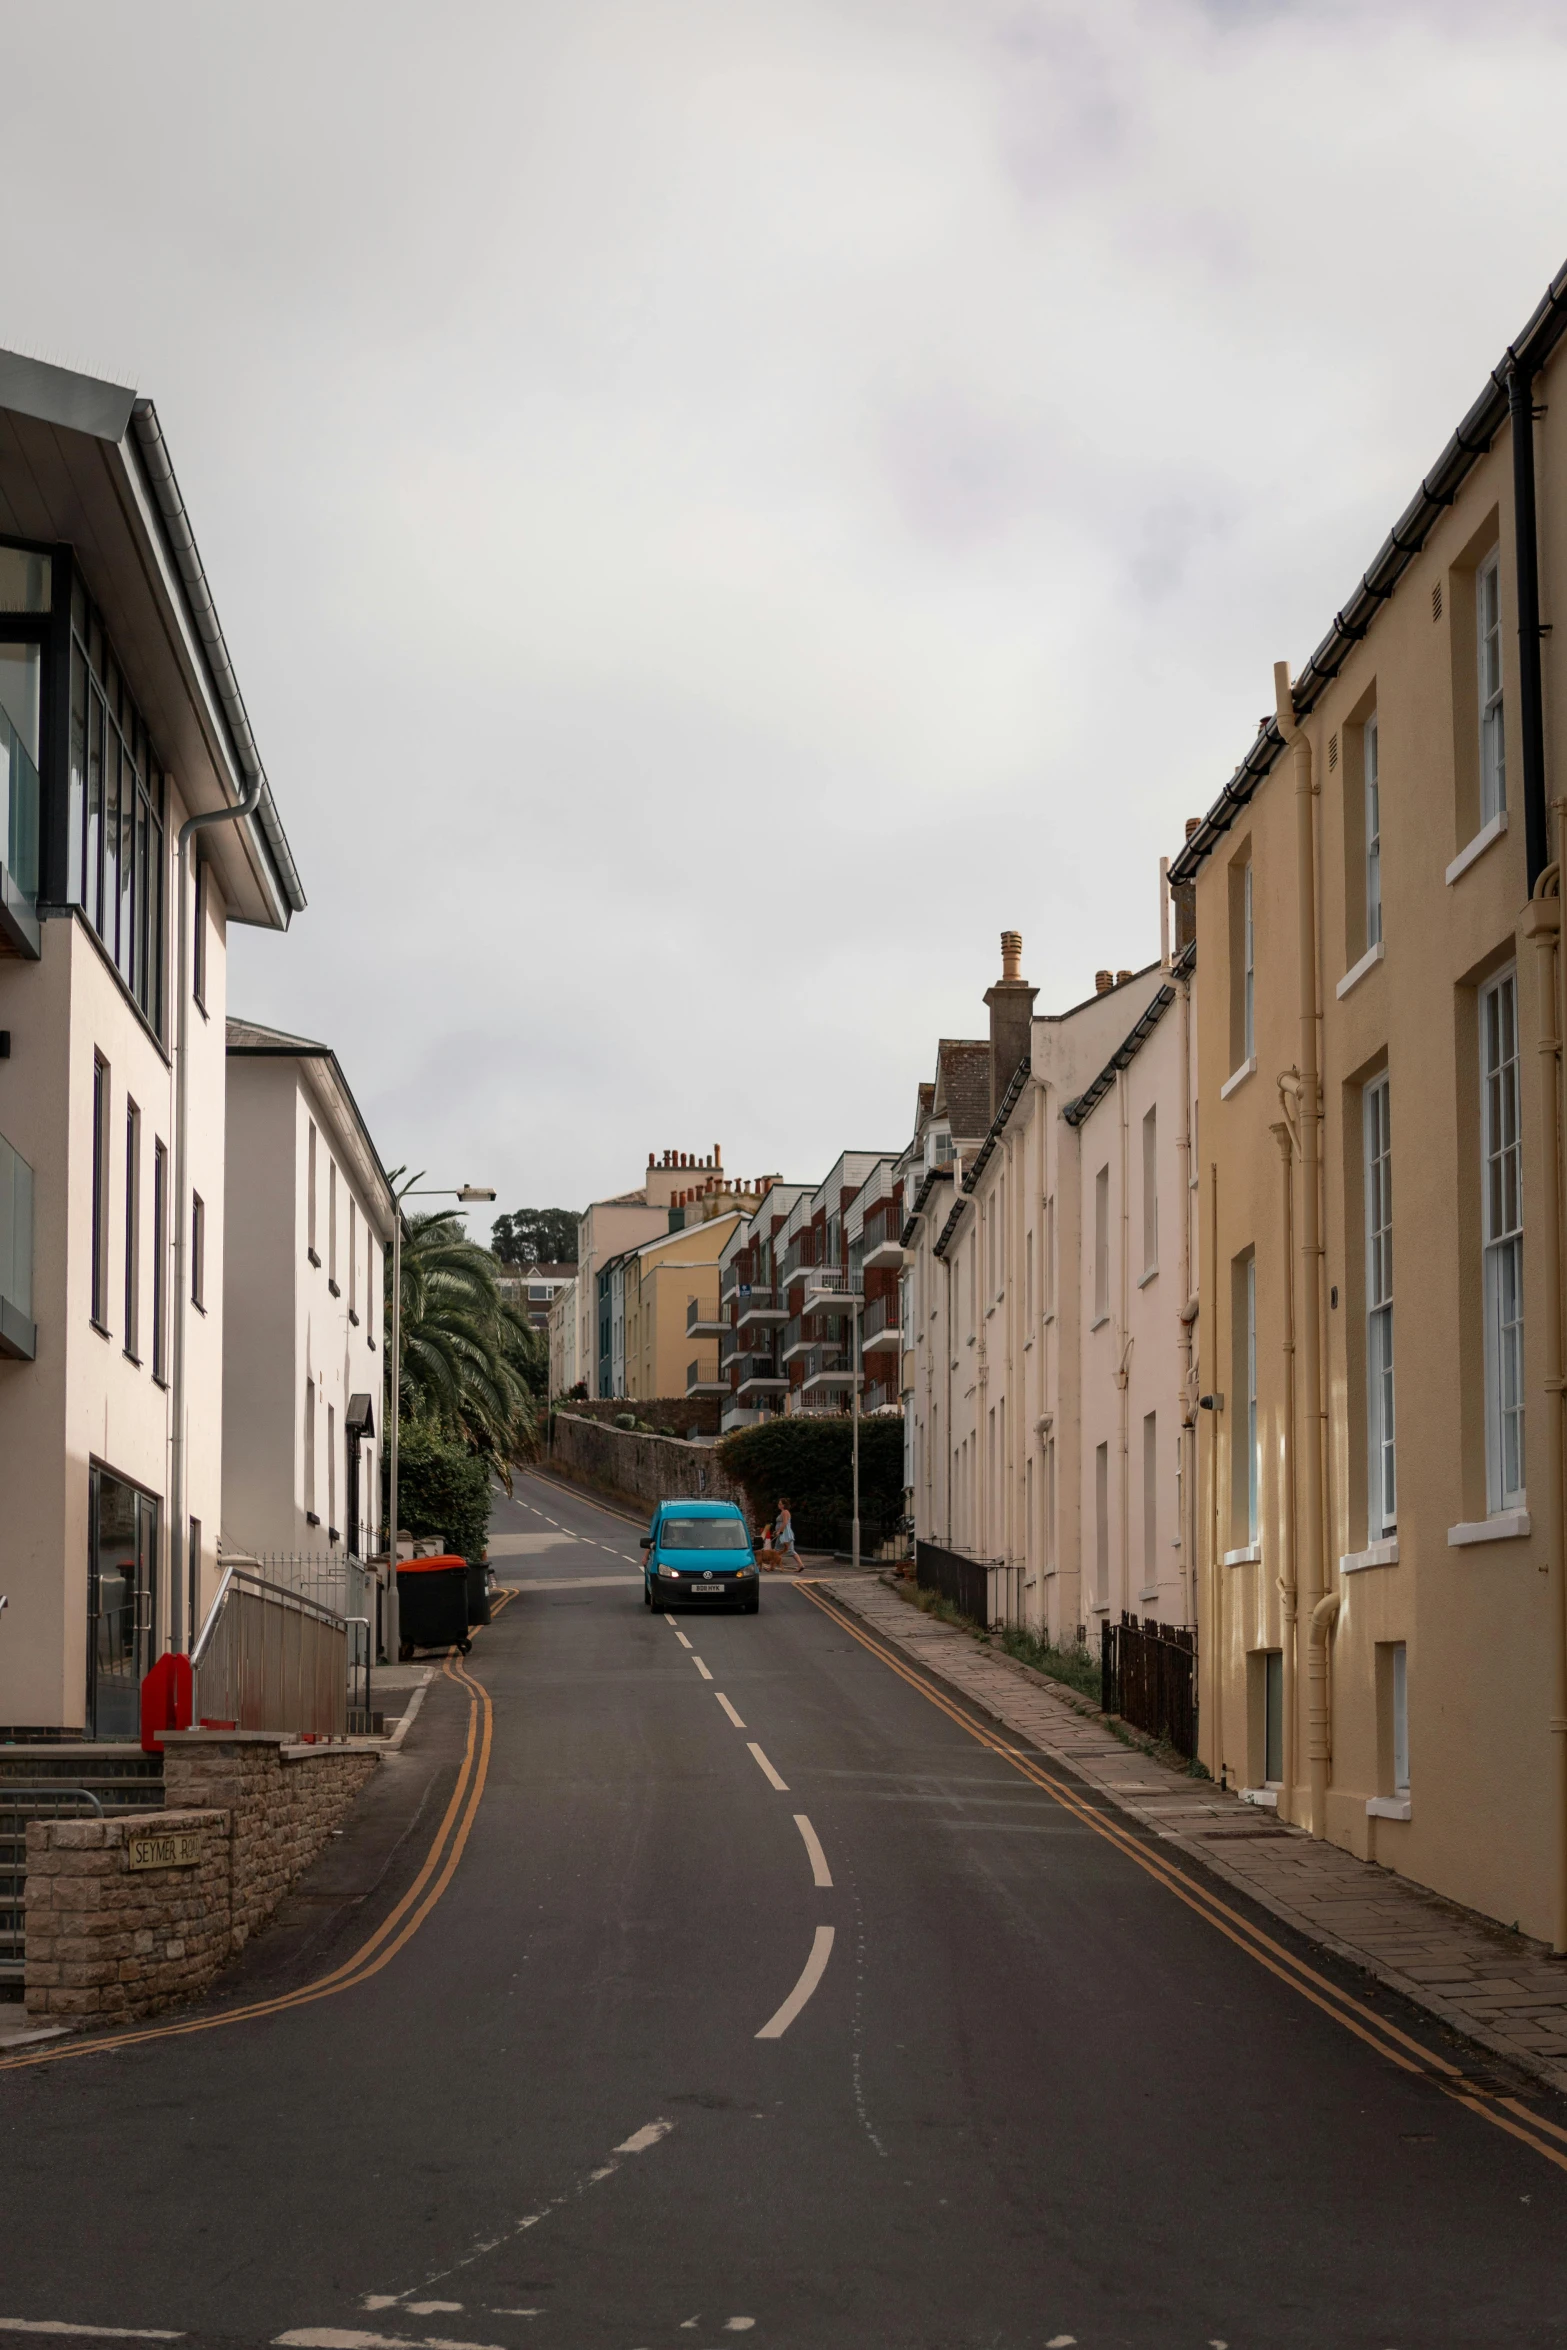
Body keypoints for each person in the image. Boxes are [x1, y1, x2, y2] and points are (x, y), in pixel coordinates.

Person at [774, 1498, 798, 1571]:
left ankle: (773, 1566)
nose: (778, 1505)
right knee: (778, 1550)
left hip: (785, 1534)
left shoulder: (785, 1512)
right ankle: (774, 1565)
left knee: (781, 1550)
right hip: (782, 1533)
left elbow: (785, 1523)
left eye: (780, 1504)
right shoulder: (783, 1512)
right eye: (779, 1504)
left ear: (784, 1505)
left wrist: (779, 1531)